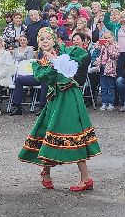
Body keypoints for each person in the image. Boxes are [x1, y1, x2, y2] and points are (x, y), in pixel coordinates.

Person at [17, 27, 99, 191]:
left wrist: (61, 57)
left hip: (70, 96)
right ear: (38, 43)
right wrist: (53, 62)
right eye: (42, 39)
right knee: (47, 132)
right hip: (55, 98)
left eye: (48, 38)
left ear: (54, 40)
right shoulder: (40, 62)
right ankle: (46, 173)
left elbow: (83, 55)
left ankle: (86, 178)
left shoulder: (65, 50)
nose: (45, 41)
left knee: (74, 133)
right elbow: (43, 76)